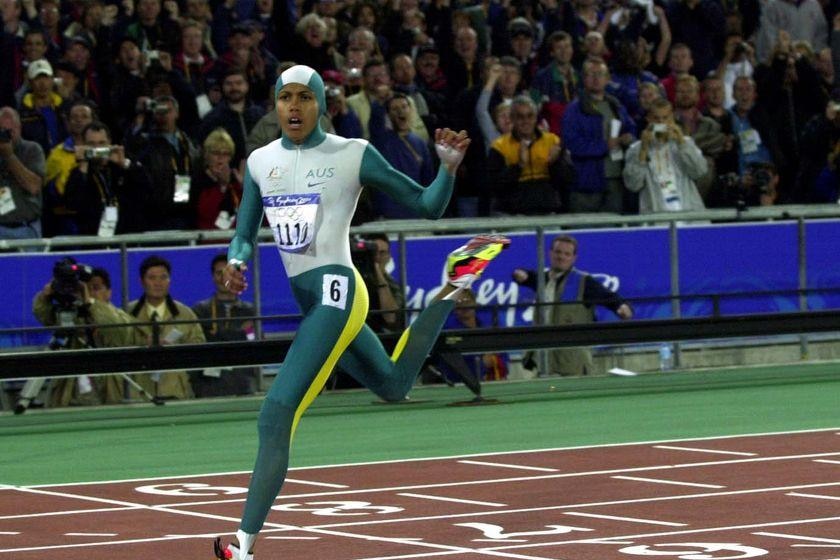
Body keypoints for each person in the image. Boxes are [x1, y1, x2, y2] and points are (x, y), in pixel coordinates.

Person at [213, 64, 509, 560]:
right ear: (275, 104)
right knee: (393, 385)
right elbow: (245, 229)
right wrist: (237, 259)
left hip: (338, 290)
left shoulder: (352, 154)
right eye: (284, 98)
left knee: (276, 412)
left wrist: (447, 169)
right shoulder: (261, 161)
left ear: (321, 105)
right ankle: (452, 285)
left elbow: (427, 205)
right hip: (311, 301)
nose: (293, 107)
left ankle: (242, 546)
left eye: (303, 98)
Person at [512, 235, 633, 377]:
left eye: (566, 254)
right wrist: (519, 275)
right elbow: (524, 276)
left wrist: (622, 307)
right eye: (558, 252)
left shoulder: (584, 282)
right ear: (550, 253)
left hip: (573, 366)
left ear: (573, 258)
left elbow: (610, 298)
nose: (561, 257)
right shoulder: (542, 278)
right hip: (544, 363)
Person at [30, 261, 141, 407]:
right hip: (70, 396)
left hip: (111, 396)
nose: (87, 292)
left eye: (95, 288)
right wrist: (45, 297)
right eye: (83, 289)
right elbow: (43, 315)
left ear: (109, 292)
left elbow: (120, 331)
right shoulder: (70, 317)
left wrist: (91, 303)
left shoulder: (119, 317)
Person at [127, 255, 206, 400]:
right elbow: (119, 346)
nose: (158, 283)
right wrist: (143, 346)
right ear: (142, 281)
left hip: (176, 390)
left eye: (163, 277)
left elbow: (200, 348)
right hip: (140, 392)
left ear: (169, 280)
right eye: (152, 278)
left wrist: (174, 349)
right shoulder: (128, 314)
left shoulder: (185, 313)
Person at [63, 121, 151, 235]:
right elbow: (72, 203)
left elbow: (147, 190)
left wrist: (125, 164)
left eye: (101, 143)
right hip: (93, 237)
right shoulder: (80, 172)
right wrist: (83, 165)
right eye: (91, 144)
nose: (97, 148)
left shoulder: (123, 166)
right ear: (83, 144)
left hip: (126, 234)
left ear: (109, 142)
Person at [623, 98, 708, 213]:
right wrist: (643, 150)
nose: (661, 122)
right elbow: (633, 185)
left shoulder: (686, 143)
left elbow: (700, 172)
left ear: (672, 118)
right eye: (656, 119)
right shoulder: (636, 149)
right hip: (656, 215)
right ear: (648, 119)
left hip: (688, 212)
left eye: (665, 118)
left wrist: (681, 143)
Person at [191, 254, 257, 397]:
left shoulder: (249, 310)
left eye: (229, 272)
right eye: (219, 273)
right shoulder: (201, 310)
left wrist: (218, 335)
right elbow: (199, 346)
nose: (224, 278)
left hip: (242, 384)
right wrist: (238, 333)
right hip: (208, 386)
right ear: (212, 277)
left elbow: (252, 343)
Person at [0, 106, 45, 240]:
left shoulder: (32, 149)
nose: (5, 136)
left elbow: (33, 186)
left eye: (9, 131)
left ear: (19, 128)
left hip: (25, 229)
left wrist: (9, 156)